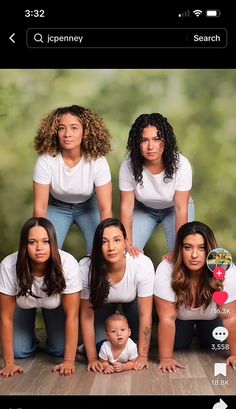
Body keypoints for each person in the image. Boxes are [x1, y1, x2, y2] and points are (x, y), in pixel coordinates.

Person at [0, 217, 82, 377]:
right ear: (24, 245)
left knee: (59, 350)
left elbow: (73, 316)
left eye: (45, 241)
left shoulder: (68, 263)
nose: (39, 248)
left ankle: (50, 333)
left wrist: (69, 361)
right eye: (32, 242)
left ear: (53, 243)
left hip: (55, 306)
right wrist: (9, 364)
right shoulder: (8, 265)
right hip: (21, 306)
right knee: (20, 351)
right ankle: (28, 333)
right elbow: (5, 317)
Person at [154, 221, 236, 373]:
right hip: (180, 318)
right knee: (178, 345)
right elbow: (167, 318)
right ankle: (191, 329)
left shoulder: (226, 269)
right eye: (187, 247)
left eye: (202, 248)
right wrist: (166, 358)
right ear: (180, 249)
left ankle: (200, 330)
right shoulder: (166, 268)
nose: (194, 255)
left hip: (212, 317)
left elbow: (230, 318)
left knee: (216, 343)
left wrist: (235, 354)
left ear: (210, 249)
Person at [33, 104, 112, 253]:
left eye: (74, 128)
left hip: (89, 206)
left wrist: (108, 239)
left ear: (85, 132)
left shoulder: (98, 161)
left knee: (100, 251)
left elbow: (105, 208)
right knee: (46, 250)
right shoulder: (46, 160)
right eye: (62, 128)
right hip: (57, 206)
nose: (67, 134)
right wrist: (38, 237)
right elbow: (40, 207)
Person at [79, 218, 154, 372]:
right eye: (104, 242)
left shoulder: (142, 264)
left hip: (132, 306)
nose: (111, 247)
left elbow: (146, 314)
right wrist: (93, 358)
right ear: (97, 246)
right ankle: (86, 347)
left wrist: (143, 357)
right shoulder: (86, 267)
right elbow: (86, 317)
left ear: (126, 242)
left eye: (117, 240)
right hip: (102, 306)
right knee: (103, 348)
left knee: (134, 348)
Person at [119, 113, 194, 260]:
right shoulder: (128, 166)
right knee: (126, 254)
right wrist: (127, 242)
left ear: (165, 141)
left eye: (156, 139)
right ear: (137, 143)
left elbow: (181, 208)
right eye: (144, 140)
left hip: (174, 209)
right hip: (144, 209)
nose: (151, 146)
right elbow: (127, 206)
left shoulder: (181, 164)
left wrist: (178, 248)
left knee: (182, 255)